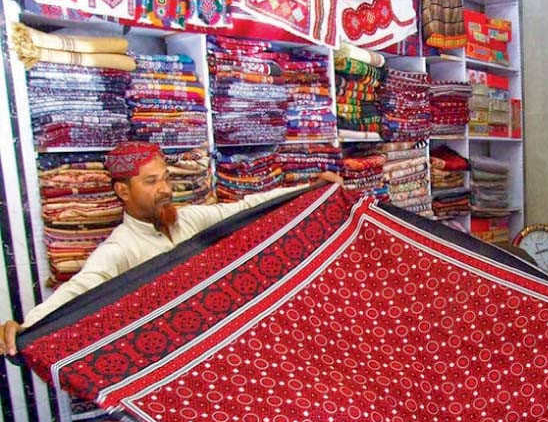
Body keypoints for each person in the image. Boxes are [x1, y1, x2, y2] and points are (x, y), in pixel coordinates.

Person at [0, 142, 342, 356]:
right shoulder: (122, 247)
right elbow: (81, 288)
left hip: (222, 343)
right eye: (151, 182)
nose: (164, 189)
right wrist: (29, 327)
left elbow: (244, 208)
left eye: (165, 178)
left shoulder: (187, 220)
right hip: (172, 355)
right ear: (122, 191)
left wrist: (309, 190)